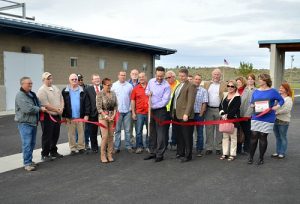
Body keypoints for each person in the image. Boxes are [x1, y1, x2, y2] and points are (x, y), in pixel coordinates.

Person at [248, 74, 284, 165]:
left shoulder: (273, 91)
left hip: (267, 117)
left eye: (260, 79)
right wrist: (252, 105)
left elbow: (281, 100)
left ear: (265, 80)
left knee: (263, 136)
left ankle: (261, 158)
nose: (258, 81)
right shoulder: (256, 91)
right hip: (256, 116)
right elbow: (251, 102)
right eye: (259, 79)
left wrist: (277, 106)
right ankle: (251, 157)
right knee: (254, 136)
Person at [15, 76, 46, 171]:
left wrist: (41, 107)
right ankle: (27, 163)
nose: (31, 85)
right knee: (27, 144)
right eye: (29, 83)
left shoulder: (31, 94)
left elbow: (38, 103)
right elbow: (27, 109)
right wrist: (40, 109)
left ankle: (30, 161)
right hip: (25, 123)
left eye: (31, 83)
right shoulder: (20, 95)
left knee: (32, 143)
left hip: (33, 123)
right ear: (22, 84)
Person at [144, 66, 171, 162]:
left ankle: (160, 154)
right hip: (151, 110)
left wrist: (153, 106)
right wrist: (148, 93)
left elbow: (165, 101)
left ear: (164, 75)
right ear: (155, 74)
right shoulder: (151, 81)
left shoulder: (166, 86)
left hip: (160, 111)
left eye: (161, 76)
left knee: (161, 134)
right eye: (158, 76)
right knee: (152, 132)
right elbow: (146, 90)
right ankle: (152, 152)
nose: (159, 78)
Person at [171, 68, 197, 162]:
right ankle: (180, 153)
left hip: (185, 116)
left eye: (183, 76)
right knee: (179, 136)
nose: (181, 77)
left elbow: (190, 101)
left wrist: (186, 114)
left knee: (187, 136)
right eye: (180, 76)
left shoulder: (191, 85)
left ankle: (188, 155)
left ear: (187, 76)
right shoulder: (178, 85)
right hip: (177, 115)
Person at [37, 72, 64, 161]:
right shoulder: (42, 90)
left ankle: (53, 151)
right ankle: (44, 154)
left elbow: (61, 99)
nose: (50, 80)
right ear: (43, 80)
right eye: (48, 79)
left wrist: (61, 108)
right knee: (47, 135)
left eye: (51, 78)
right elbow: (46, 104)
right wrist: (57, 110)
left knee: (55, 134)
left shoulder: (55, 88)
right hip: (48, 116)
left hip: (57, 115)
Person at [62, 73, 89, 155]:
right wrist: (64, 116)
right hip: (70, 117)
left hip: (80, 116)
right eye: (72, 79)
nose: (74, 81)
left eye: (75, 79)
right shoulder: (65, 91)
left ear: (78, 80)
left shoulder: (83, 90)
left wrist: (86, 115)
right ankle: (73, 148)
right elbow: (63, 104)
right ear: (69, 80)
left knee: (81, 133)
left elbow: (87, 103)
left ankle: (81, 147)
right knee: (71, 134)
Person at [204, 68, 227, 155]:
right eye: (215, 74)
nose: (216, 76)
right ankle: (209, 147)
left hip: (220, 110)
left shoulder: (225, 84)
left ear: (220, 75)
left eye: (218, 74)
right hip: (209, 109)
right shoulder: (206, 84)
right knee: (208, 130)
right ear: (212, 75)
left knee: (219, 130)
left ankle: (218, 147)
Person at [96, 78, 118, 163]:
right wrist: (105, 116)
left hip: (112, 117)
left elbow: (116, 105)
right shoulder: (99, 94)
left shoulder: (113, 93)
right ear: (103, 85)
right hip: (103, 117)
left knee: (111, 136)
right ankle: (103, 155)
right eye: (108, 85)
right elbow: (99, 108)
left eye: (110, 85)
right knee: (105, 136)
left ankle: (109, 154)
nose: (109, 86)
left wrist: (113, 115)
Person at [219, 80, 241, 161]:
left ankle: (232, 154)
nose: (230, 88)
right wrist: (222, 114)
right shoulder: (225, 95)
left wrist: (228, 116)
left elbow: (235, 109)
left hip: (233, 120)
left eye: (232, 86)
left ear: (235, 87)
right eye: (228, 86)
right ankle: (225, 153)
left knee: (233, 137)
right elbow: (220, 106)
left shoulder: (237, 97)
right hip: (224, 119)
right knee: (225, 137)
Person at [112, 71, 133, 153]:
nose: (123, 77)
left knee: (128, 130)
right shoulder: (114, 85)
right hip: (118, 112)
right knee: (117, 130)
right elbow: (112, 98)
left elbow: (132, 98)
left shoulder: (129, 86)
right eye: (121, 75)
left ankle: (128, 146)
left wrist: (131, 108)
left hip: (127, 111)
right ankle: (116, 147)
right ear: (118, 76)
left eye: (124, 75)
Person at [272, 82, 293, 159]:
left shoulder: (288, 99)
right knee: (277, 137)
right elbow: (273, 106)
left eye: (282, 88)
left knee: (283, 137)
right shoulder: (278, 98)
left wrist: (276, 112)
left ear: (286, 90)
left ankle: (282, 152)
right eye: (280, 87)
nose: (280, 89)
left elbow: (287, 110)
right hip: (276, 120)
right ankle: (277, 152)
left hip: (283, 121)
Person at [131, 72, 149, 154]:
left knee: (150, 131)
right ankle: (139, 146)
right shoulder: (135, 88)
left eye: (143, 77)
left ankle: (148, 146)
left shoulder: (150, 87)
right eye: (140, 77)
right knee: (138, 131)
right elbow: (132, 101)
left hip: (149, 113)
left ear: (146, 77)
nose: (141, 78)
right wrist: (133, 113)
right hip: (139, 113)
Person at [239, 74, 256, 155]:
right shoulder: (243, 89)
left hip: (249, 116)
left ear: (254, 80)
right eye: (248, 79)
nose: (250, 80)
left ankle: (247, 149)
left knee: (247, 133)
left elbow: (253, 104)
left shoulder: (256, 91)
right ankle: (238, 149)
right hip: (240, 115)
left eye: (251, 79)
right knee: (239, 132)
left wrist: (247, 115)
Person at [85, 74, 102, 153]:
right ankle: (94, 147)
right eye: (95, 79)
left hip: (103, 114)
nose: (97, 80)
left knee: (103, 132)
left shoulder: (103, 88)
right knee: (93, 132)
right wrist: (87, 114)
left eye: (98, 78)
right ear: (92, 80)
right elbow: (87, 103)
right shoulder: (88, 89)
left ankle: (105, 146)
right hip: (93, 114)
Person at [193, 74, 208, 157]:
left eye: (199, 79)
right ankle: (189, 148)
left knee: (200, 133)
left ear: (201, 81)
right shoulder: (190, 89)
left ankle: (199, 149)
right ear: (193, 80)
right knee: (189, 132)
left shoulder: (203, 91)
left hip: (199, 114)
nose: (197, 81)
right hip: (190, 115)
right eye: (196, 79)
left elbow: (204, 103)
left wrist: (201, 114)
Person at [165, 70, 180, 149]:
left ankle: (174, 142)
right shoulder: (164, 84)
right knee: (165, 128)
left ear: (174, 77)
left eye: (169, 77)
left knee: (175, 127)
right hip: (165, 109)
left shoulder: (179, 85)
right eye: (166, 77)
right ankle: (165, 143)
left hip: (175, 110)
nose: (167, 79)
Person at [235, 76, 247, 154]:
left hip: (244, 114)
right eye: (237, 83)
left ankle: (245, 148)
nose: (238, 84)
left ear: (243, 83)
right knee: (237, 132)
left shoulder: (246, 91)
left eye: (240, 82)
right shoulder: (234, 90)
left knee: (245, 132)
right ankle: (237, 149)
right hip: (236, 115)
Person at [128, 69, 139, 147]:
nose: (134, 75)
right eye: (133, 73)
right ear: (130, 74)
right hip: (129, 109)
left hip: (139, 109)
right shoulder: (127, 84)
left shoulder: (141, 83)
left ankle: (139, 144)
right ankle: (131, 143)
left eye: (136, 73)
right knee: (130, 128)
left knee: (138, 128)